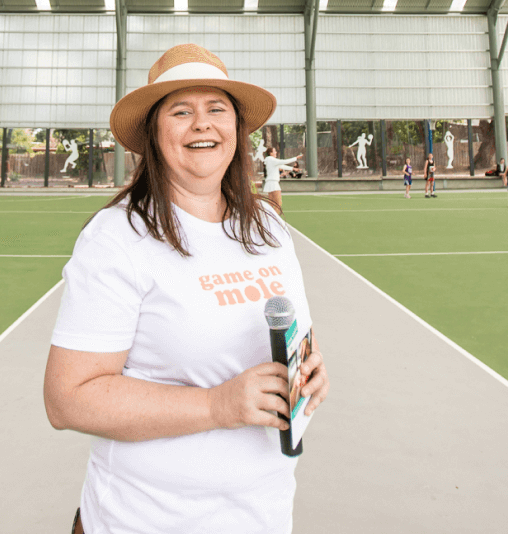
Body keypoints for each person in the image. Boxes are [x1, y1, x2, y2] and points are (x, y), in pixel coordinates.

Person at [44, 43, 328, 534]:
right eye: (181, 111)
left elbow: (293, 334)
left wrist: (308, 372)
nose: (202, 123)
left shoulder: (270, 227)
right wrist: (217, 405)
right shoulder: (117, 238)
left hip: (264, 515)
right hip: (143, 521)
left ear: (237, 132)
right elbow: (67, 399)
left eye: (217, 109)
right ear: (153, 136)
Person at [260, 146, 299, 214]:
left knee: (272, 204)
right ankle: (274, 220)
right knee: (278, 204)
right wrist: (295, 158)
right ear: (271, 153)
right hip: (273, 183)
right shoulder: (271, 159)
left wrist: (293, 169)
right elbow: (283, 162)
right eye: (274, 151)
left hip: (271, 183)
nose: (276, 152)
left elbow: (281, 166)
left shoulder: (270, 160)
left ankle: (269, 220)